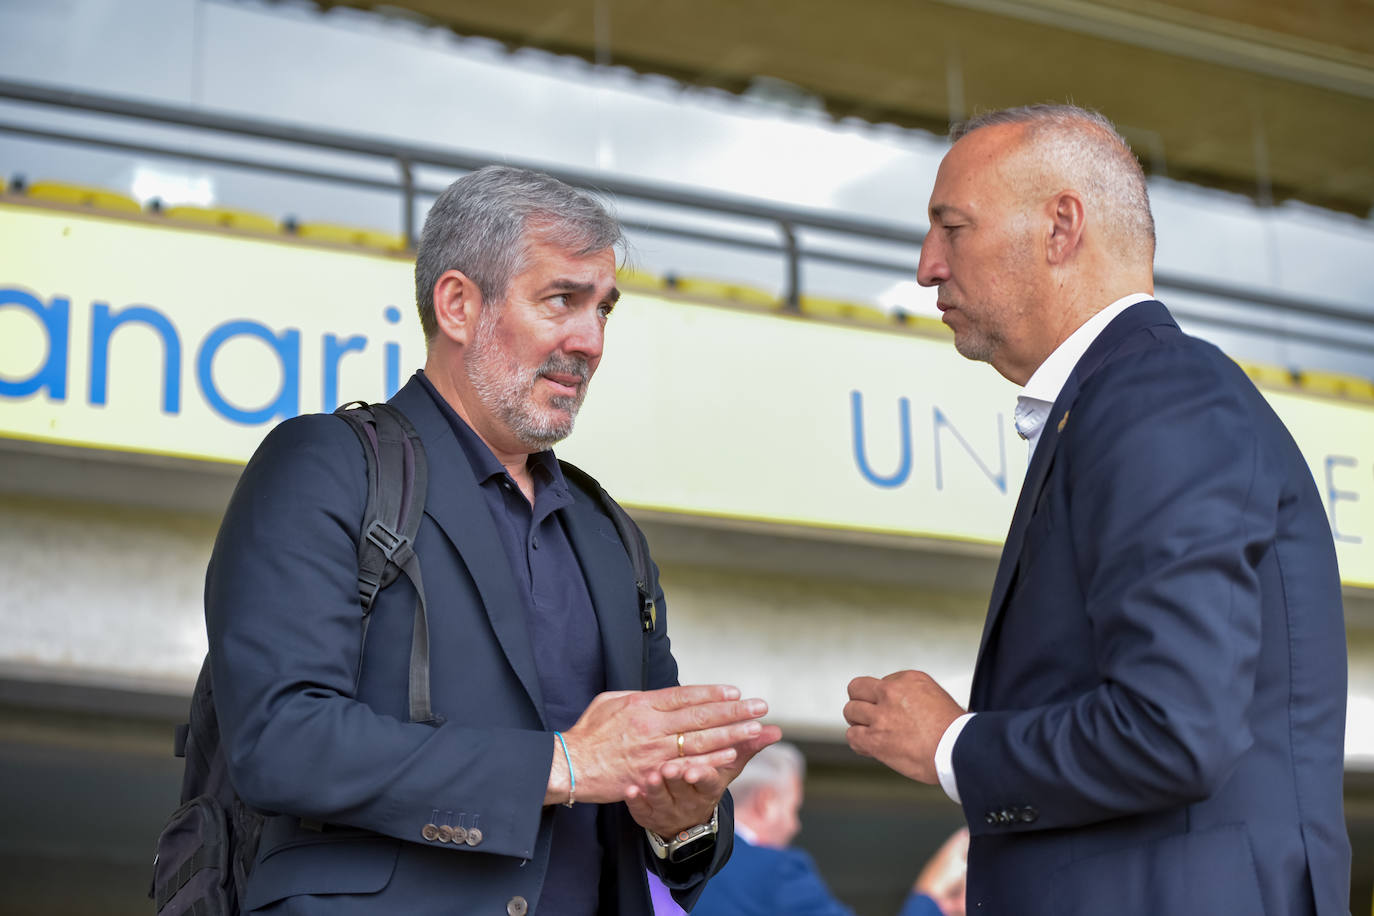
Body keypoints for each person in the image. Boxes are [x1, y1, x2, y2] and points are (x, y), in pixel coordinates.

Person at [205, 165, 781, 914]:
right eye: (561, 300)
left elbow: (666, 828)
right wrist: (564, 763)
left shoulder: (610, 535)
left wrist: (682, 814)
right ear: (457, 305)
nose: (591, 340)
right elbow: (281, 739)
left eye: (604, 309)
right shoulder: (325, 464)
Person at [843, 105, 1350, 915]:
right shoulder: (1133, 398)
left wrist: (953, 744)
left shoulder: (1155, 395)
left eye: (953, 226)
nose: (927, 265)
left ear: (1060, 227)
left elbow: (1172, 729)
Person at [693, 742, 966, 916]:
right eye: (793, 809)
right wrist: (930, 891)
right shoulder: (775, 871)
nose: (795, 826)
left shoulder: (672, 860)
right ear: (766, 803)